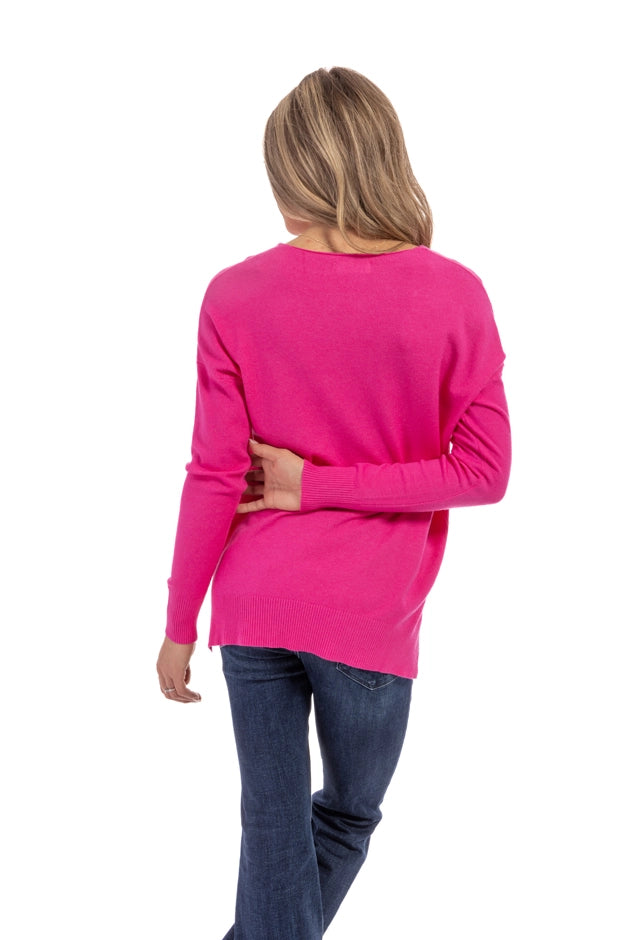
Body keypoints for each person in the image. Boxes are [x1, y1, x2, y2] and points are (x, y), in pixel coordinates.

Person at [156, 66, 511, 939]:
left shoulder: (234, 294)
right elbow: (484, 472)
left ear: (291, 173)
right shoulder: (453, 292)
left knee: (273, 831)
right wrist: (324, 487)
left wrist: (180, 623)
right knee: (345, 816)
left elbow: (212, 474)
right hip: (368, 614)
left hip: (253, 603)